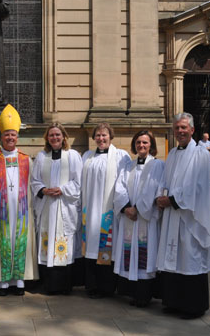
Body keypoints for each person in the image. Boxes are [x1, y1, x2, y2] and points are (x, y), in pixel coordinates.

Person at [156, 113, 210, 319]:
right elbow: (166, 181)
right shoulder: (173, 154)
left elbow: (200, 187)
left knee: (190, 258)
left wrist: (173, 201)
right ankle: (174, 302)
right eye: (177, 128)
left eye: (184, 128)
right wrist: (161, 195)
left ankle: (193, 306)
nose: (180, 131)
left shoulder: (201, 154)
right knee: (174, 258)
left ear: (192, 130)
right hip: (172, 214)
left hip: (191, 216)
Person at [0, 104, 38, 296]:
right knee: (2, 242)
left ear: (17, 137)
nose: (10, 138)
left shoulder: (26, 160)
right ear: (1, 137)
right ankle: (2, 283)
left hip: (21, 210)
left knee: (19, 240)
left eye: (13, 134)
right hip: (1, 212)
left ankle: (19, 282)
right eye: (7, 135)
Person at [113, 130, 164, 307]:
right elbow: (119, 187)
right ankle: (133, 293)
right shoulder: (128, 165)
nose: (141, 146)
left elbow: (153, 189)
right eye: (138, 143)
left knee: (145, 257)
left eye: (145, 143)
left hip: (145, 220)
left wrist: (139, 209)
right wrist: (126, 207)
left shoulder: (157, 165)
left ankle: (145, 295)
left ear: (151, 145)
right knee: (130, 255)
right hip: (129, 218)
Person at [79, 123, 131, 298]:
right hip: (90, 209)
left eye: (104, 135)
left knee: (106, 247)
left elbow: (126, 181)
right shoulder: (87, 156)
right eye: (98, 136)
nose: (101, 139)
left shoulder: (120, 156)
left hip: (108, 211)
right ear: (94, 138)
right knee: (91, 247)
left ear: (111, 136)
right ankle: (92, 285)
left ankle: (106, 287)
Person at [30, 123, 83, 294]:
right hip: (47, 206)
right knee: (47, 242)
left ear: (64, 137)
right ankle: (49, 285)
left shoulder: (72, 156)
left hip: (64, 206)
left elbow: (78, 181)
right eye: (51, 135)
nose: (54, 138)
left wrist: (62, 189)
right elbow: (34, 181)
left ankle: (64, 286)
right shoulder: (41, 156)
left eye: (57, 135)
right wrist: (44, 190)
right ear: (47, 138)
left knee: (63, 242)